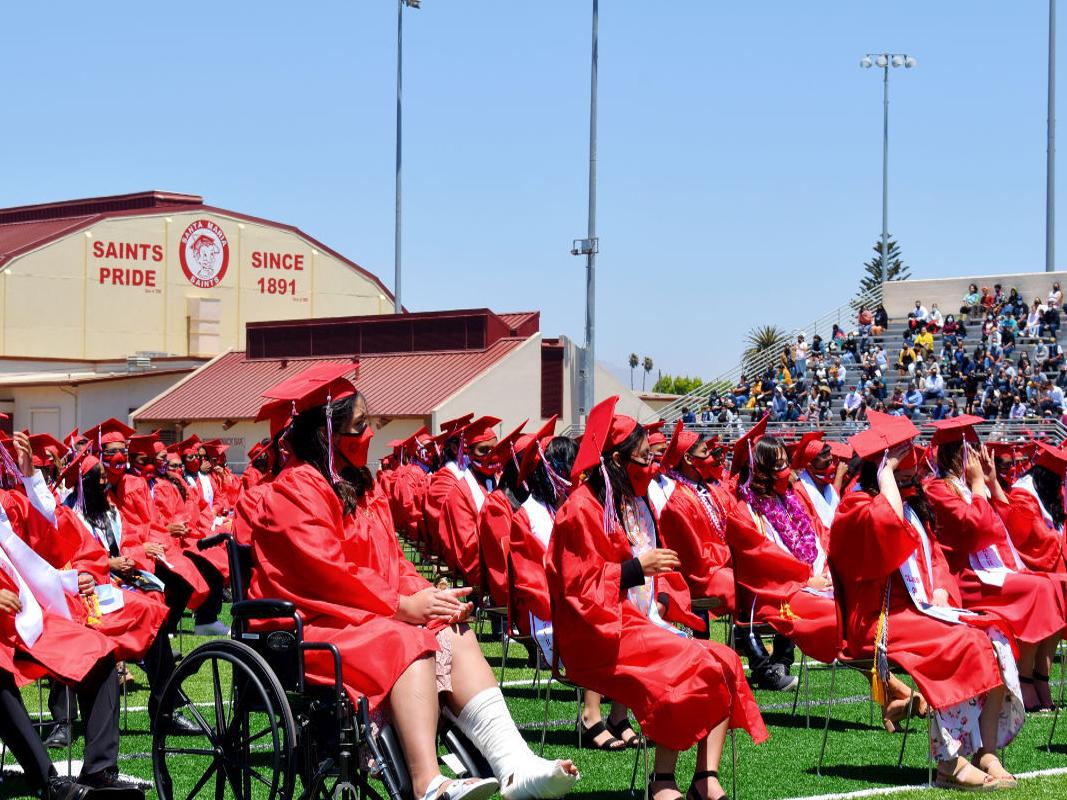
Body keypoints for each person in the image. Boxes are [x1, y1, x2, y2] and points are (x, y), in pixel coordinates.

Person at [240, 364, 578, 800]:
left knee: (452, 631)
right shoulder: (294, 491)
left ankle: (514, 765)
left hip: (362, 615)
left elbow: (392, 560)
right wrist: (401, 607)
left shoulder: (359, 486)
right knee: (407, 641)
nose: (370, 433)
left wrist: (428, 596)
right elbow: (328, 572)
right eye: (360, 426)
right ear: (328, 435)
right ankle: (427, 782)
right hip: (313, 622)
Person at [547, 396, 766, 800]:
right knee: (686, 664)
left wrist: (662, 597)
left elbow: (660, 569)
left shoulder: (629, 502)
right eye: (644, 458)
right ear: (615, 461)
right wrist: (635, 570)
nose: (653, 467)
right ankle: (662, 781)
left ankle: (705, 777)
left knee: (725, 659)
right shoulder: (581, 509)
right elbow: (580, 590)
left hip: (633, 620)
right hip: (597, 635)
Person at [830, 412, 1023, 790]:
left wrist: (943, 591)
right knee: (963, 644)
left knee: (995, 633)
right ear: (881, 469)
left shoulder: (913, 505)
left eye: (908, 470)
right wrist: (885, 478)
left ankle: (985, 751)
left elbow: (938, 561)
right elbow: (884, 528)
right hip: (881, 617)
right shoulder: (854, 507)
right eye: (900, 469)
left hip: (920, 611)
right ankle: (949, 762)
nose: (910, 476)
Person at [0, 432, 144, 799]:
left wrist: (32, 477)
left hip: (24, 621)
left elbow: (48, 530)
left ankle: (99, 769)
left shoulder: (5, 504)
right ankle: (47, 781)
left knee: (97, 651)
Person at [923, 417, 1066, 712]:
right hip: (969, 577)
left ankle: (1040, 675)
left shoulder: (972, 485)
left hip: (995, 570)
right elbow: (976, 530)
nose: (979, 455)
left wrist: (989, 483)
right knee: (1039, 588)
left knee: (1056, 585)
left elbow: (1008, 528)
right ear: (956, 454)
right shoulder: (938, 489)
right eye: (972, 449)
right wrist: (977, 485)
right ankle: (1025, 679)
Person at [725, 416, 839, 691]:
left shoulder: (791, 500)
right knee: (833, 614)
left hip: (804, 585)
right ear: (761, 470)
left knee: (845, 604)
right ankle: (887, 685)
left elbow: (815, 537)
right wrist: (805, 579)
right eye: (778, 465)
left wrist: (823, 570)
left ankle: (888, 685)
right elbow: (764, 560)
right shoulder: (744, 511)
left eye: (786, 462)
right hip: (772, 595)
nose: (786, 469)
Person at [653, 422, 736, 617]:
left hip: (722, 565)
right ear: (689, 459)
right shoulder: (678, 500)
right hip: (701, 574)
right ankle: (744, 637)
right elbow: (695, 556)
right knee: (738, 584)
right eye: (705, 452)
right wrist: (731, 555)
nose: (712, 458)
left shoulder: (714, 491)